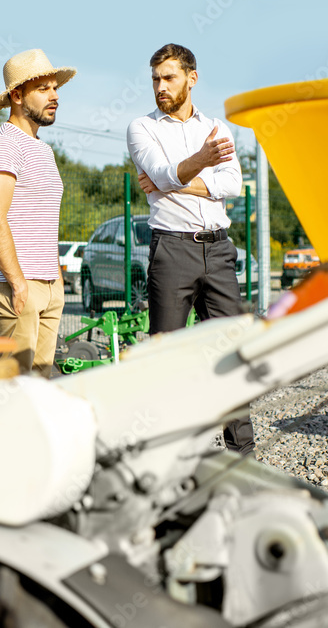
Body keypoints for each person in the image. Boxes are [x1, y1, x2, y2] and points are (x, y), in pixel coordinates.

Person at [126, 43, 254, 455]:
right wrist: (199, 163)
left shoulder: (216, 127)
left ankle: (242, 456)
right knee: (166, 359)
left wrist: (177, 179)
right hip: (172, 252)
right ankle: (169, 455)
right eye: (155, 80)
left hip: (218, 252)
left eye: (169, 77)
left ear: (191, 78)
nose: (160, 87)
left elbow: (231, 185)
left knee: (232, 355)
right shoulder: (142, 128)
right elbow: (162, 173)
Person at [0, 49, 76, 378]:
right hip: (16, 286)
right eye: (44, 89)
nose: (55, 96)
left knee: (40, 387)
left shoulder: (43, 149)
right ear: (17, 95)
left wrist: (56, 281)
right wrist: (19, 285)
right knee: (12, 390)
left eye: (55, 87)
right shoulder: (3, 144)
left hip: (49, 285)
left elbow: (42, 218)